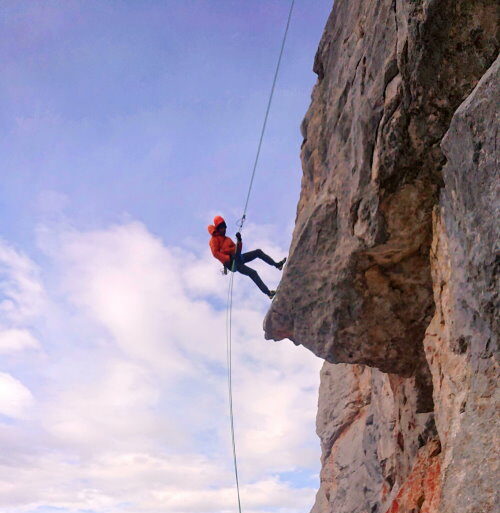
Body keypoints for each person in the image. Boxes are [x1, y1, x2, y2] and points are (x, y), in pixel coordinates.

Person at [207, 215, 286, 299]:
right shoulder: (213, 240)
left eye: (225, 227)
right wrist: (228, 259)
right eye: (222, 228)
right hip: (232, 263)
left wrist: (239, 240)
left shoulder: (227, 239)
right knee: (253, 273)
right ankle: (268, 293)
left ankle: (277, 265)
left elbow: (237, 250)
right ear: (218, 229)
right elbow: (215, 253)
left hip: (238, 257)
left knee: (258, 252)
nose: (224, 230)